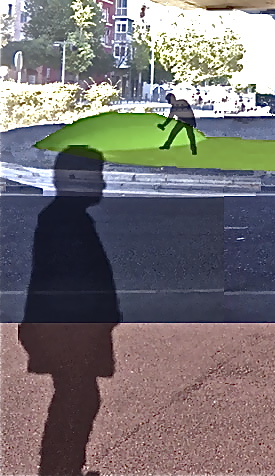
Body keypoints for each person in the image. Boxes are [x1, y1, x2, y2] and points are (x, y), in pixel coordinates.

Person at [19, 146, 120, 476]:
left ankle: (63, 467)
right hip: (70, 332)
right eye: (96, 177)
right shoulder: (66, 223)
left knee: (77, 398)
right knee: (77, 400)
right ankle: (61, 469)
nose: (102, 184)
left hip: (68, 329)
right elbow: (70, 283)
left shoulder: (65, 219)